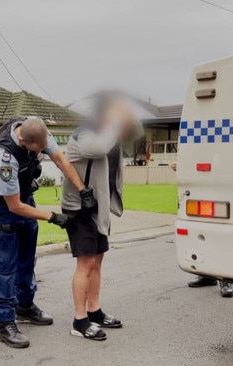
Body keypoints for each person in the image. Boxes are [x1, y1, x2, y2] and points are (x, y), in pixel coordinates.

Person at [0, 116, 93, 349]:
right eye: (37, 150)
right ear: (23, 141)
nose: (41, 152)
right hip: (5, 210)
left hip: (26, 200)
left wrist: (83, 190)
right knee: (5, 267)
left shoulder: (37, 130)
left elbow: (60, 159)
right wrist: (52, 217)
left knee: (26, 261)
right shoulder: (4, 157)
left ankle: (24, 306)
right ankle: (4, 323)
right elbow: (14, 206)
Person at [61, 95, 143, 340]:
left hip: (99, 208)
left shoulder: (107, 131)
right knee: (85, 264)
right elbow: (99, 148)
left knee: (97, 261)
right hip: (80, 209)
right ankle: (79, 320)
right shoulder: (83, 134)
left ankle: (94, 311)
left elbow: (135, 132)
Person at [169, 161, 233, 297]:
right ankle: (207, 275)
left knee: (219, 232)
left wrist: (185, 165)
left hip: (220, 189)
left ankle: (225, 279)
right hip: (200, 188)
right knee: (201, 231)